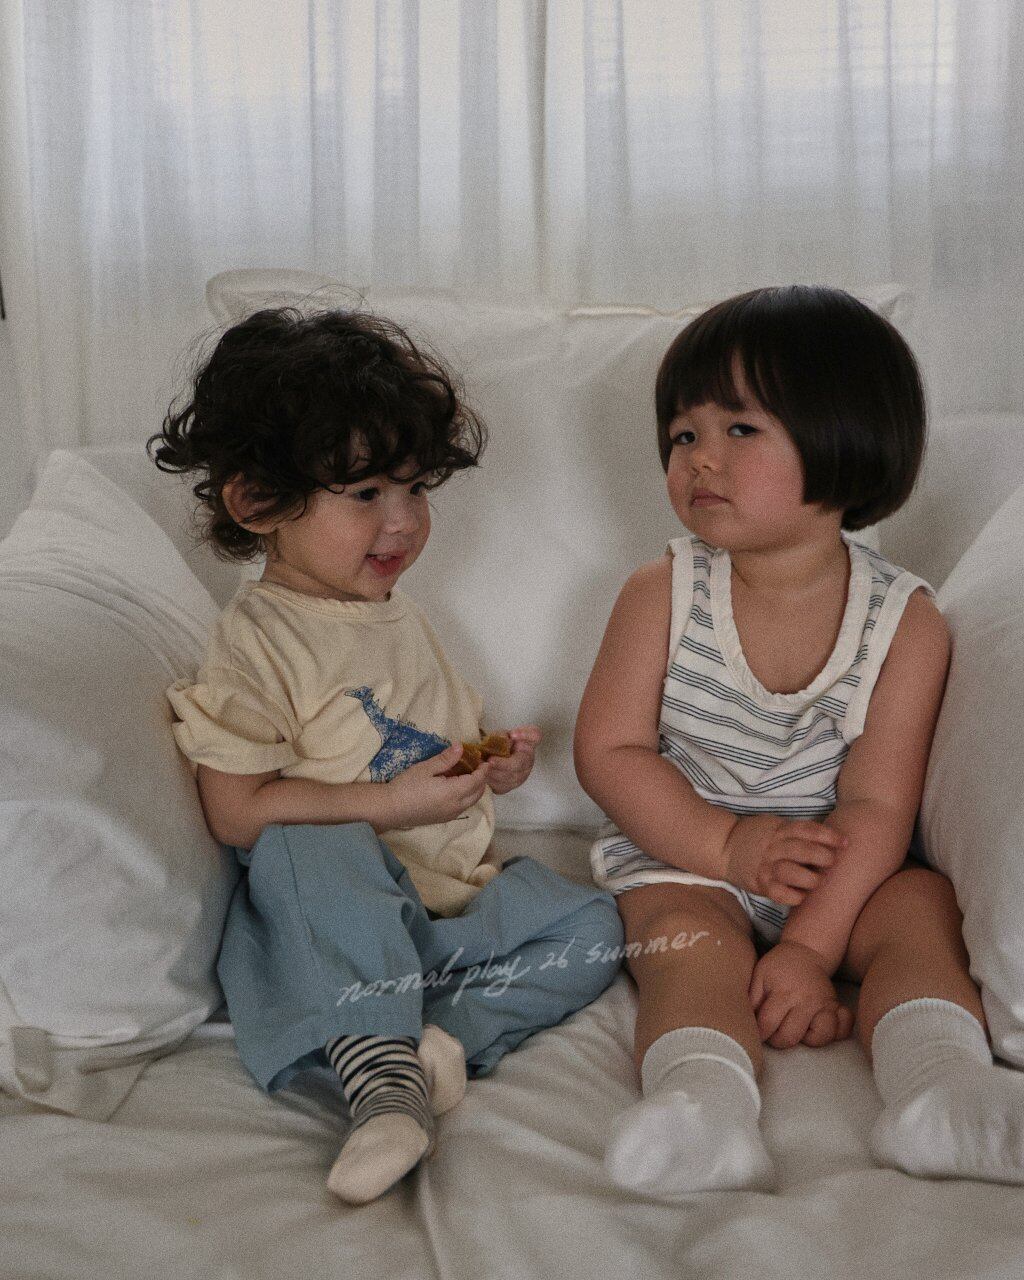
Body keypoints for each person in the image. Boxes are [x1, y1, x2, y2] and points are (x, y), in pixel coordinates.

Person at [150, 306, 623, 1205]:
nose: (403, 521)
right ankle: (382, 1083)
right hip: (338, 925)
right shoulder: (260, 641)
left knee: (597, 924)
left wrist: (487, 765)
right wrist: (393, 807)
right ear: (257, 502)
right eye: (365, 493)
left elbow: (405, 742)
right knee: (306, 850)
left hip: (442, 918)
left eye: (413, 488)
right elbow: (237, 811)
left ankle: (437, 1043)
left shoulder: (394, 614)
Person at [574, 284, 1024, 1198]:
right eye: (683, 434)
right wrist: (724, 848)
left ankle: (941, 1089)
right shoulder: (661, 594)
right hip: (688, 856)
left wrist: (811, 950)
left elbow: (878, 804)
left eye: (739, 429)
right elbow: (609, 754)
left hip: (840, 870)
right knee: (685, 948)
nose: (700, 457)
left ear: (845, 441)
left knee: (921, 910)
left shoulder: (905, 622)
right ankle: (706, 1106)